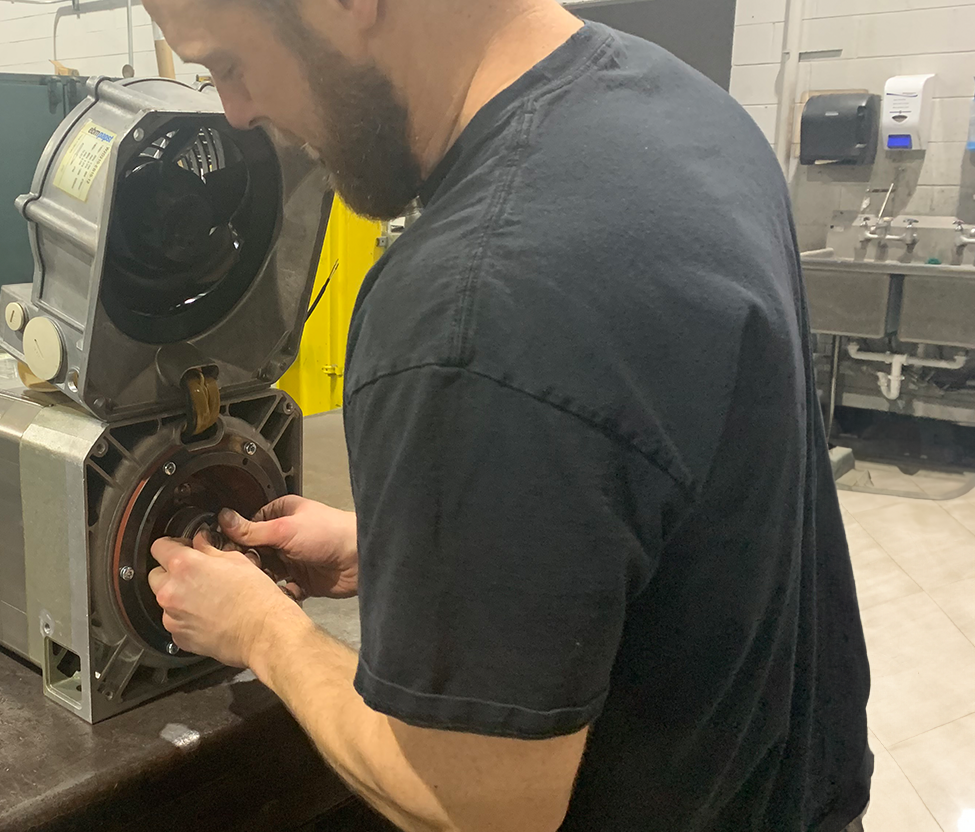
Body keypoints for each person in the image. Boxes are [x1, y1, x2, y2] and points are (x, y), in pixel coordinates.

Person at [141, 0, 873, 829]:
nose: (237, 111)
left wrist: (260, 630)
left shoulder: (472, 305)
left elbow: (470, 800)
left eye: (228, 63)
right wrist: (393, 552)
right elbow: (670, 500)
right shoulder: (687, 109)